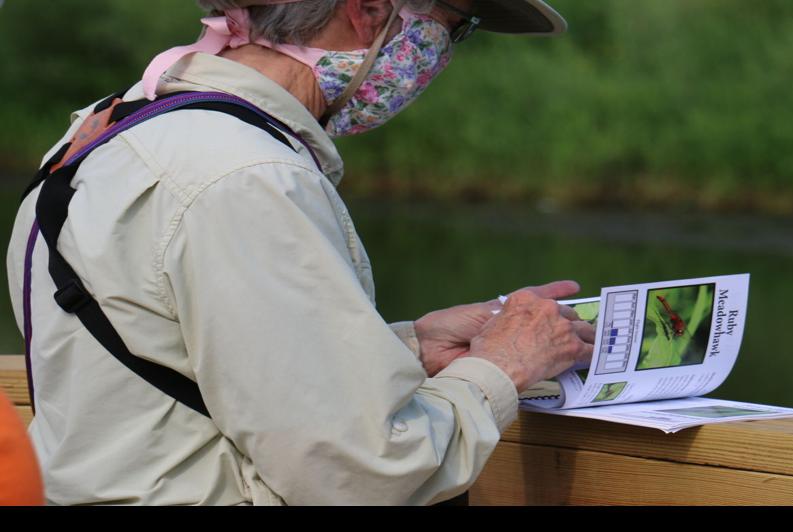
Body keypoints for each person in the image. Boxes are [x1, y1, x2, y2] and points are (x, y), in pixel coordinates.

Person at [5, 0, 593, 505]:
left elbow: (169, 356)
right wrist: (501, 369)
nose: (443, 53)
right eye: (453, 25)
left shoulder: (110, 129)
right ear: (367, 11)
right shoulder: (249, 175)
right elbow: (360, 474)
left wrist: (408, 348)